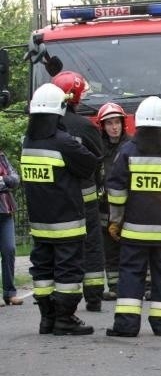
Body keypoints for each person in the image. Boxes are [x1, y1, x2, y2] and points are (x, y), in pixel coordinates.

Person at [105, 96, 161, 337]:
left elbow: (116, 190)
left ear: (139, 122)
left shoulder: (127, 152)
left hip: (133, 231)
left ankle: (126, 326)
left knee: (131, 274)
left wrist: (116, 220)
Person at [21, 83, 99, 335]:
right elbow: (90, 165)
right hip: (66, 222)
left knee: (42, 269)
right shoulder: (64, 142)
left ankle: (47, 318)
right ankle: (65, 319)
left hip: (39, 224)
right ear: (59, 111)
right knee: (69, 270)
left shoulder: (27, 142)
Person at [52, 71, 106, 312]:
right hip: (86, 196)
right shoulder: (86, 126)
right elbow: (98, 160)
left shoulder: (45, 128)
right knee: (91, 244)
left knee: (61, 247)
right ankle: (93, 296)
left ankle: (59, 296)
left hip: (57, 199)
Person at [96, 102, 130, 300]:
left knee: (134, 247)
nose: (114, 127)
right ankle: (116, 287)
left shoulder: (131, 146)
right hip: (105, 208)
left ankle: (146, 285)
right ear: (103, 126)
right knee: (110, 249)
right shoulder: (98, 149)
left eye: (117, 122)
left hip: (129, 207)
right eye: (109, 123)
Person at [0, 149, 21, 306]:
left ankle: (10, 293)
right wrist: (5, 183)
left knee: (9, 249)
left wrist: (3, 180)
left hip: (6, 210)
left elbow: (15, 179)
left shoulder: (2, 157)